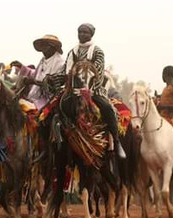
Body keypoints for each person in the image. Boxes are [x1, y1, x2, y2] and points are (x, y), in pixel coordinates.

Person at [54, 23, 126, 159]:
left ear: (91, 34)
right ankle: (55, 142)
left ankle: (116, 142)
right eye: (79, 32)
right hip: (73, 88)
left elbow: (98, 71)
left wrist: (88, 89)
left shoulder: (97, 51)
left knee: (107, 107)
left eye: (85, 32)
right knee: (55, 107)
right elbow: (65, 70)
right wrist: (56, 78)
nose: (82, 35)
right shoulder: (72, 52)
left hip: (94, 89)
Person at [11, 35, 64, 110]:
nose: (43, 48)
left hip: (49, 100)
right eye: (42, 45)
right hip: (34, 97)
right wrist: (22, 67)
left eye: (45, 45)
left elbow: (53, 85)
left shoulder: (59, 63)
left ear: (53, 47)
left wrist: (34, 82)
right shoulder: (43, 61)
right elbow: (35, 74)